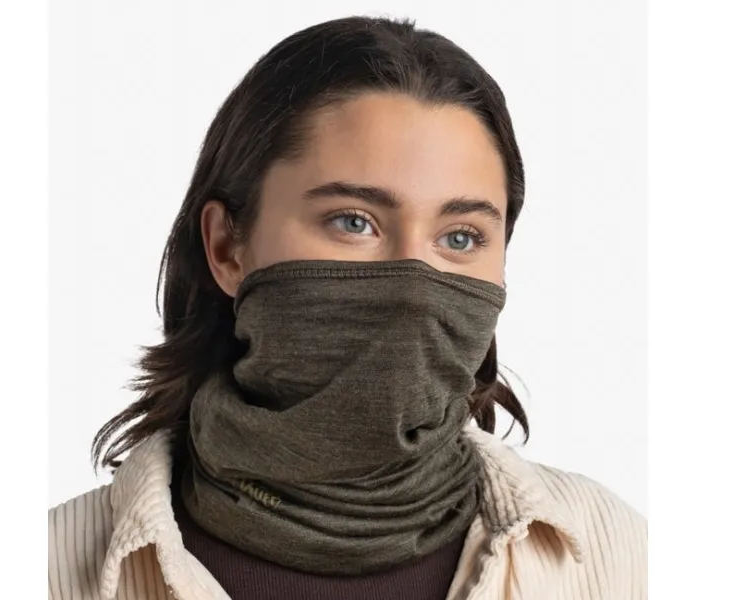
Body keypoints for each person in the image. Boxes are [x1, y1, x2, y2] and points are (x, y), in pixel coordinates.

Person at [48, 15, 647, 600]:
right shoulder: (44, 570)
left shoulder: (618, 558)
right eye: (352, 222)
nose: (414, 285)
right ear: (227, 247)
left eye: (461, 237)